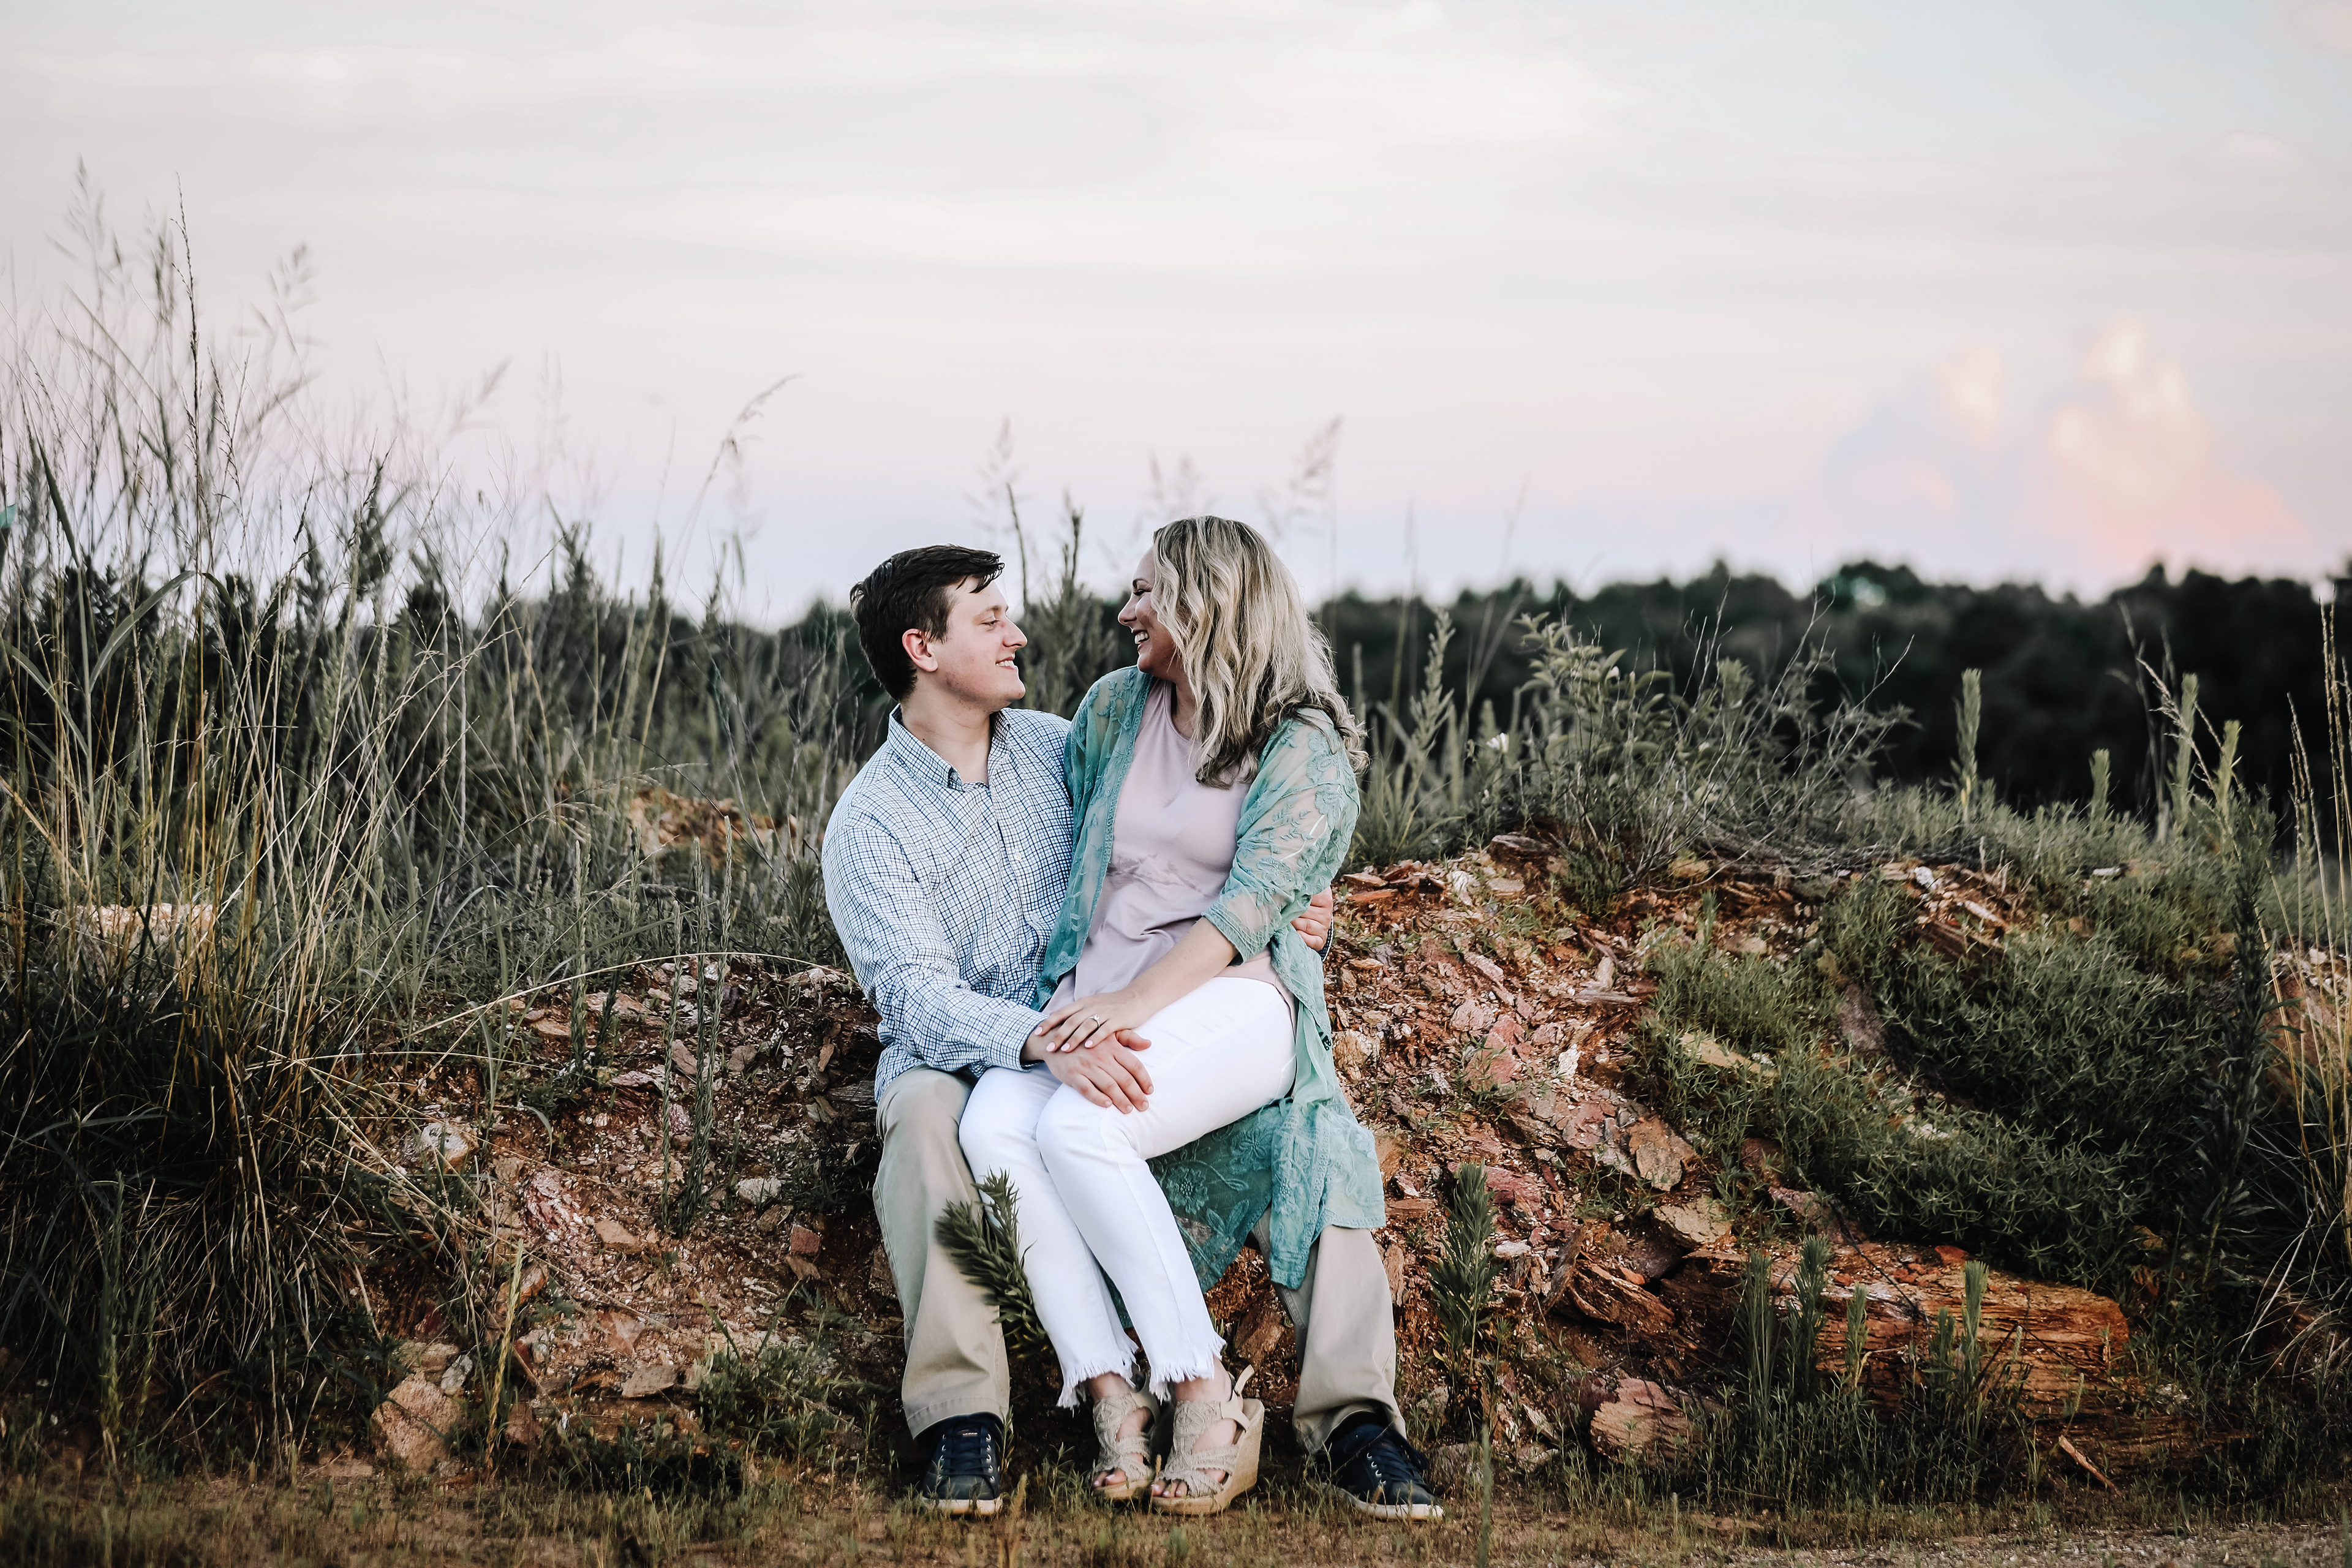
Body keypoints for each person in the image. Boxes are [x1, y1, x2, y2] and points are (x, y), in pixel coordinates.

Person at [822, 542, 1439, 1521]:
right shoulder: (871, 823)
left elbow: (1183, 839)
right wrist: (1044, 1037)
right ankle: (964, 1418)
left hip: (1116, 1010)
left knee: (1309, 1140)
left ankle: (1345, 1421)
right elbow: (916, 999)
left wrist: (1296, 900)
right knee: (944, 1122)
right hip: (981, 1041)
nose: (1019, 634)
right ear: (922, 649)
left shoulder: (1059, 744)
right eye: (990, 619)